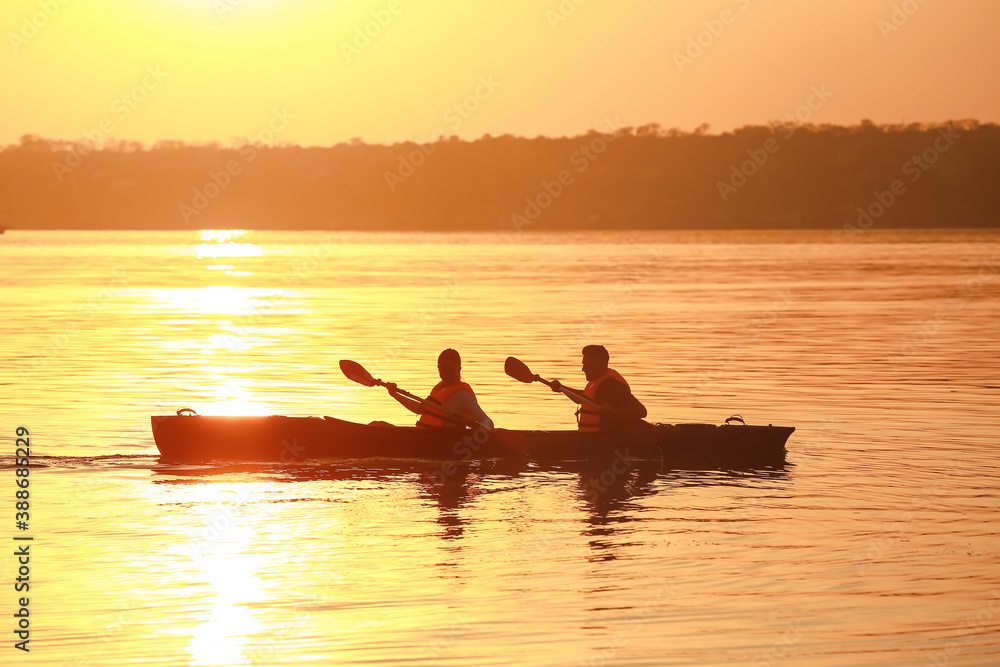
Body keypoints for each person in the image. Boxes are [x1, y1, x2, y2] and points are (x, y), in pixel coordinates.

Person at [388, 349, 495, 429]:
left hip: (443, 443)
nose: (447, 373)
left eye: (451, 369)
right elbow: (420, 409)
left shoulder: (463, 396)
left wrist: (473, 424)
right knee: (377, 424)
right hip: (424, 438)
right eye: (444, 369)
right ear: (438, 368)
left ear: (459, 369)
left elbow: (489, 423)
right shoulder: (440, 390)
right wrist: (395, 394)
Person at [550, 345, 647, 431]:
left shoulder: (614, 386)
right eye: (583, 364)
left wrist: (614, 411)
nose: (583, 369)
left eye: (587, 365)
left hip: (607, 441)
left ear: (600, 364)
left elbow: (641, 411)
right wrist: (561, 388)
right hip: (591, 438)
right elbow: (583, 398)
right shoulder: (597, 383)